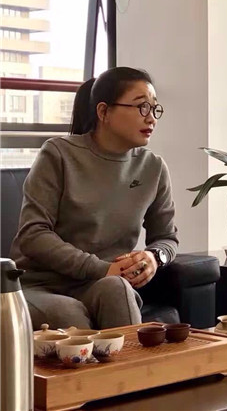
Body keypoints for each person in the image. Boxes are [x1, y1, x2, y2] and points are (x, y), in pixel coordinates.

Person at [10, 67, 178, 330]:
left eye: (154, 108)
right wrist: (101, 268)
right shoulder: (58, 154)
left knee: (118, 290)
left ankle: (133, 360)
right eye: (141, 107)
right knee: (70, 315)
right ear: (103, 112)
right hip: (40, 285)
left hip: (102, 283)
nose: (151, 118)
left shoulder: (153, 168)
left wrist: (155, 257)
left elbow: (167, 238)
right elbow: (33, 235)